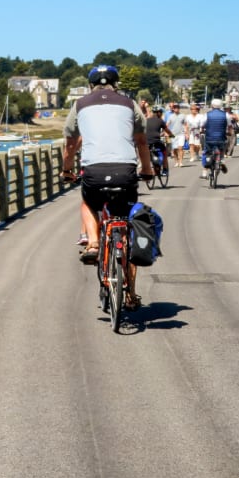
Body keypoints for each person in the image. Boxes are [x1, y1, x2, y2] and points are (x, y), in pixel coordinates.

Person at [62, 65, 154, 310]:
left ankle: (93, 243)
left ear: (91, 85)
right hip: (125, 171)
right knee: (126, 228)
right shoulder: (129, 104)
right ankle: (131, 293)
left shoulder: (80, 104)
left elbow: (70, 143)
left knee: (88, 203)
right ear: (116, 83)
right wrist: (147, 169)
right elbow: (142, 140)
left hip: (93, 171)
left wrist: (67, 170)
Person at [200, 98, 230, 178]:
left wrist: (202, 131)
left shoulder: (207, 114)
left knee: (206, 153)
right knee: (222, 148)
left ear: (212, 106)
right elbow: (229, 126)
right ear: (220, 106)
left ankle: (204, 172)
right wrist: (228, 132)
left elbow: (202, 125)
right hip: (221, 138)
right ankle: (222, 160)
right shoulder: (225, 114)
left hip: (209, 139)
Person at [145, 105, 173, 175]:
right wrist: (172, 135)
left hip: (146, 142)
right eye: (161, 112)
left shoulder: (146, 120)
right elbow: (167, 130)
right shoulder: (160, 121)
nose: (162, 114)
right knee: (164, 152)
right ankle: (165, 170)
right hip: (156, 141)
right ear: (159, 113)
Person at [166, 103, 186, 167]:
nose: (176, 109)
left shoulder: (182, 115)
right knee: (174, 149)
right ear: (173, 109)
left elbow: (186, 125)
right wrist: (166, 132)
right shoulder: (171, 116)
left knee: (180, 148)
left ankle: (180, 162)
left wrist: (187, 133)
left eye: (178, 108)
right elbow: (167, 125)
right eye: (175, 108)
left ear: (179, 109)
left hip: (181, 134)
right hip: (173, 134)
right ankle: (176, 161)